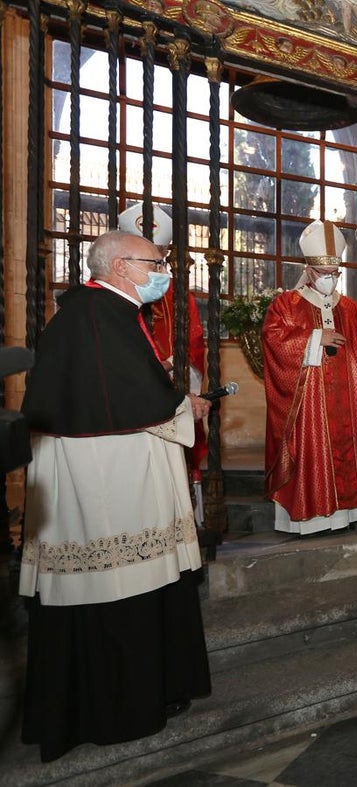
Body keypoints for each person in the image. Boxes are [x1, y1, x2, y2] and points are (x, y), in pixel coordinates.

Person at [19, 230, 212, 762]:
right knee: (118, 585)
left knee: (135, 584)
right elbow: (133, 401)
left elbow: (125, 385)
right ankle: (119, 706)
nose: (164, 271)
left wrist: (170, 393)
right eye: (157, 262)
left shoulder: (101, 313)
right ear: (124, 266)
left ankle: (145, 692)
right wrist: (183, 405)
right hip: (107, 484)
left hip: (113, 473)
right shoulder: (100, 314)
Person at [262, 220, 357, 535]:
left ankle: (348, 514)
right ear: (308, 269)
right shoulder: (285, 305)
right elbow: (275, 344)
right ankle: (311, 517)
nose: (329, 280)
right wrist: (317, 338)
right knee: (313, 453)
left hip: (349, 404)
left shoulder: (351, 308)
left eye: (334, 274)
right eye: (323, 274)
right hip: (309, 408)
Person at [118, 203, 209, 514]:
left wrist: (171, 366)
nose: (159, 267)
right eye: (152, 258)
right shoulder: (107, 299)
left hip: (171, 384)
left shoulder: (178, 293)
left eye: (162, 257)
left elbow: (194, 340)